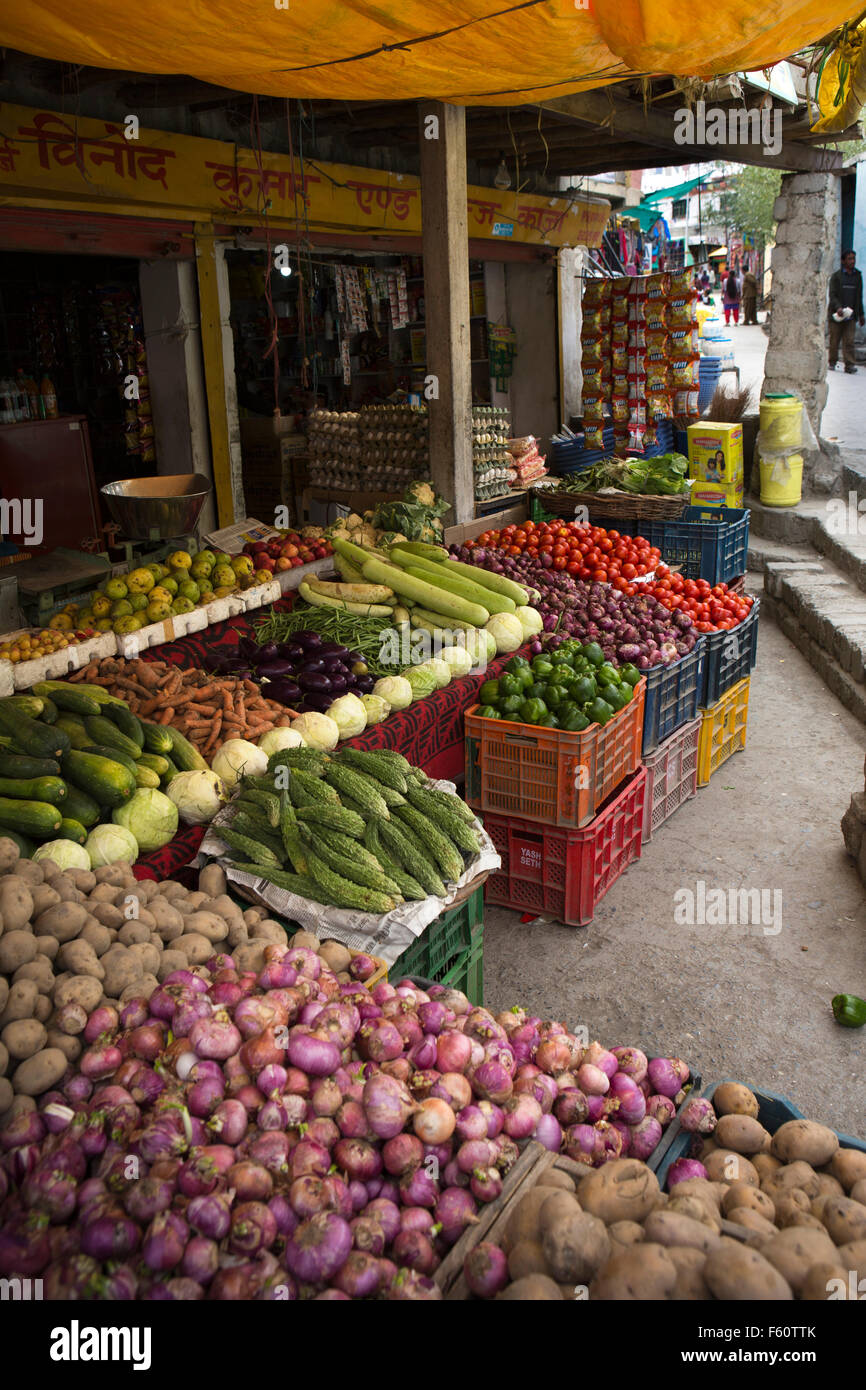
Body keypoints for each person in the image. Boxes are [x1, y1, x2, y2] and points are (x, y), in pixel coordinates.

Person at [828, 249, 865, 374]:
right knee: (834, 340)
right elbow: (832, 295)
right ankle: (832, 362)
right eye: (849, 259)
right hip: (837, 314)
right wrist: (838, 307)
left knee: (849, 341)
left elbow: (859, 296)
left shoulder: (857, 276)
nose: (852, 261)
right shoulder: (836, 277)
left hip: (851, 315)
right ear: (843, 261)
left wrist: (861, 314)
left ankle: (849, 364)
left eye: (853, 259)